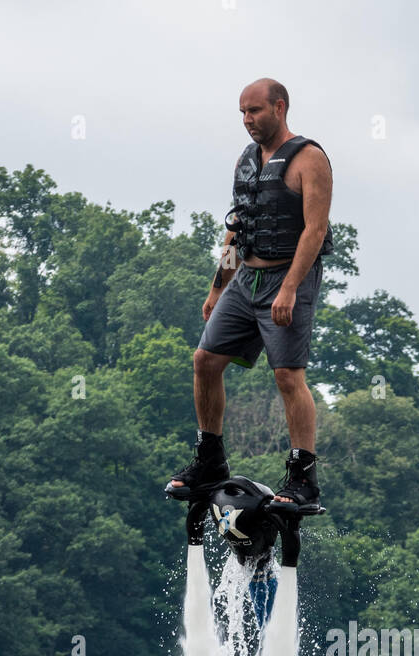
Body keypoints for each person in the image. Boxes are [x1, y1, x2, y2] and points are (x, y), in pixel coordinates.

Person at [167, 78, 333, 507]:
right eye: (242, 113)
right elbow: (236, 228)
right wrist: (216, 287)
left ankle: (303, 480)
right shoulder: (246, 161)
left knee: (287, 376)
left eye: (255, 111)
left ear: (279, 108)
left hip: (288, 278)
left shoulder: (309, 159)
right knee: (205, 360)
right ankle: (210, 460)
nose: (247, 121)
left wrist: (291, 288)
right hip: (245, 280)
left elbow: (315, 230)